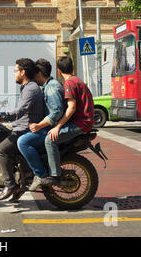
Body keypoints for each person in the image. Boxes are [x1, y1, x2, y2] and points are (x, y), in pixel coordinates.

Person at [0, 58, 45, 201]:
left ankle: (10, 185)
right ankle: (18, 183)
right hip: (21, 126)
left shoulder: (31, 88)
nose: (14, 74)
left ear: (23, 72)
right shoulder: (26, 88)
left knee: (1, 150)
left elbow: (20, 111)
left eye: (15, 71)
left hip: (26, 129)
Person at [42, 56, 94, 186]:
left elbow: (71, 108)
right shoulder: (77, 81)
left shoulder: (69, 83)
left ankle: (55, 175)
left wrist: (58, 127)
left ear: (59, 71)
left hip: (81, 123)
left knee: (50, 140)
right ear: (73, 67)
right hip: (84, 121)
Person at [16, 58, 65, 191]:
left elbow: (56, 112)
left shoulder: (51, 88)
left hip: (50, 128)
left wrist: (39, 126)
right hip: (47, 126)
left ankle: (40, 174)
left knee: (23, 142)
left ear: (38, 73)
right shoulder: (47, 86)